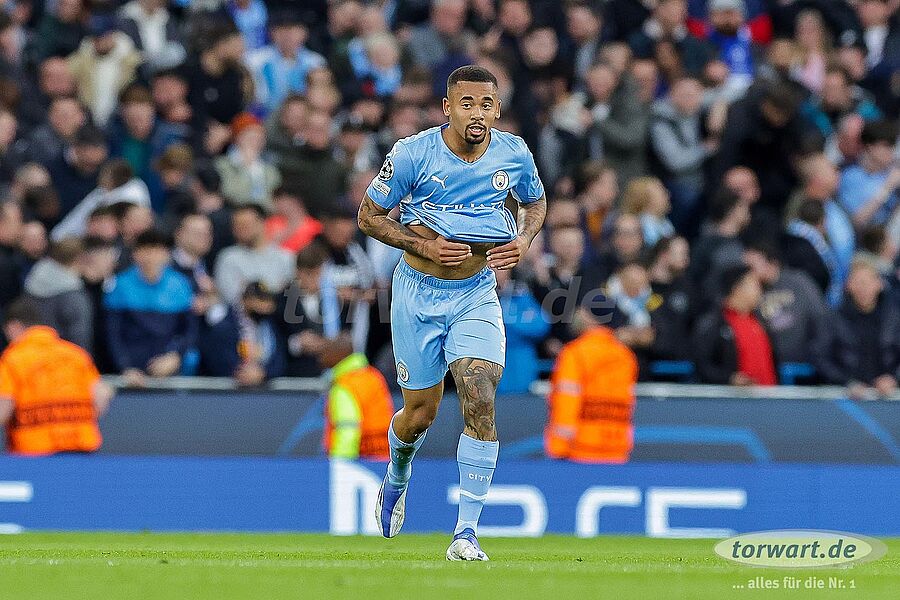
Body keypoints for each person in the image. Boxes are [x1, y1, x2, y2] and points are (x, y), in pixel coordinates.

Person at [357, 65, 547, 559]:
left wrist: (525, 239)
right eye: (466, 104)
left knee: (479, 391)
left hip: (475, 292)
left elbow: (535, 201)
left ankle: (466, 533)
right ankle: (398, 473)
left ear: (497, 110)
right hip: (416, 293)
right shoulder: (413, 154)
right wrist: (423, 245)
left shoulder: (514, 154)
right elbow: (368, 216)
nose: (477, 113)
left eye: (486, 104)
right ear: (447, 108)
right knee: (419, 414)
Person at [0, 297, 114, 455]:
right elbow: (102, 395)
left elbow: (3, 409)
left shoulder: (12, 359)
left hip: (34, 453)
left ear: (14, 327)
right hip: (81, 449)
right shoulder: (76, 354)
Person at [545, 304, 638, 463]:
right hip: (617, 450)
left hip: (580, 450)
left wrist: (558, 448)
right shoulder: (626, 356)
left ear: (591, 318)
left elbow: (567, 401)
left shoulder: (575, 353)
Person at [103, 229, 196, 386]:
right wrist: (125, 368)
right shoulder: (119, 285)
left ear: (167, 255)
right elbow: (113, 334)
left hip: (169, 373)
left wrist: (175, 357)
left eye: (157, 250)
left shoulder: (180, 285)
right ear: (135, 254)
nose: (151, 256)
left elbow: (189, 330)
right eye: (145, 249)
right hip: (131, 376)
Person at [692, 265, 779, 385]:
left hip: (769, 395)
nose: (760, 290)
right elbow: (702, 365)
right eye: (755, 284)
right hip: (733, 396)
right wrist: (729, 379)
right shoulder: (714, 323)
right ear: (738, 288)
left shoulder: (760, 322)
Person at [322, 334, 395, 460]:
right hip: (384, 457)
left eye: (326, 350)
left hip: (361, 460)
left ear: (339, 354)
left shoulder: (345, 385)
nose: (321, 356)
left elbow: (348, 428)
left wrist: (339, 464)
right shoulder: (372, 376)